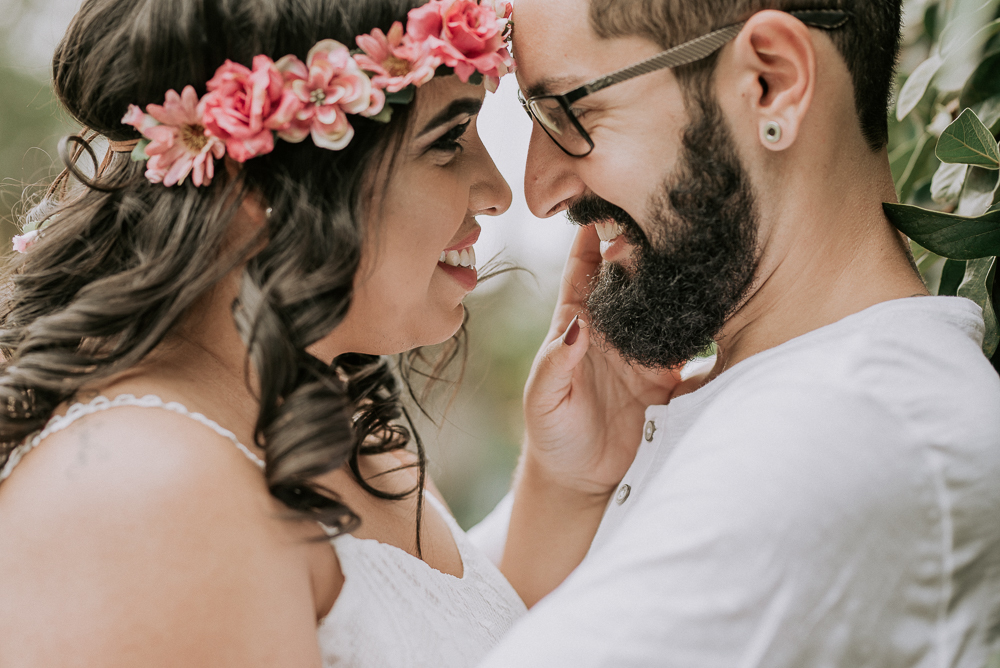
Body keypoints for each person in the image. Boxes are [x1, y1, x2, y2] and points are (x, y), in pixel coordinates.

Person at [0, 0, 532, 666]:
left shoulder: (334, 423)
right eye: (448, 141)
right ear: (262, 181)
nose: (497, 190)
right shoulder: (146, 491)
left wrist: (566, 477)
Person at [475, 0, 1000, 665]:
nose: (538, 189)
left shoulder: (844, 438)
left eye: (568, 113)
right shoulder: (702, 414)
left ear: (771, 83)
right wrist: (567, 491)